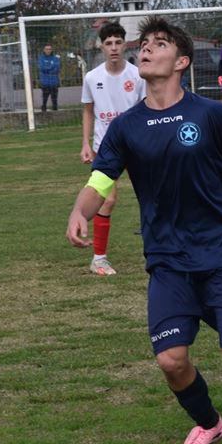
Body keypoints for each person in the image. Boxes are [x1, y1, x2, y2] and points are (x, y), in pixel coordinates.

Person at [66, 16, 222, 444]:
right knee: (171, 360)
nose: (146, 49)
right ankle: (210, 423)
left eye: (159, 43)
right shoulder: (126, 127)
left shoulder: (210, 115)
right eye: (145, 43)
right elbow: (100, 180)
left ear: (181, 62)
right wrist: (81, 211)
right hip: (168, 259)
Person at [80, 22, 146, 276]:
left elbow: (146, 110)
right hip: (105, 149)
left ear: (124, 44)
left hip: (136, 146)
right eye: (109, 43)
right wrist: (86, 143)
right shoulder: (92, 77)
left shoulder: (138, 75)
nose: (114, 47)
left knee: (152, 196)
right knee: (107, 200)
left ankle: (162, 250)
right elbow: (88, 111)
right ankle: (99, 259)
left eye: (118, 42)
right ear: (102, 47)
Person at [38, 44, 61, 112]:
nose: (48, 50)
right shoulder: (41, 58)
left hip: (54, 81)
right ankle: (44, 106)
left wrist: (48, 68)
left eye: (49, 49)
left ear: (51, 50)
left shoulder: (55, 58)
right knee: (45, 96)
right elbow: (42, 68)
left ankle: (55, 108)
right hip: (45, 81)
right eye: (47, 49)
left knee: (54, 97)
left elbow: (57, 69)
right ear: (44, 50)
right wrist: (52, 66)